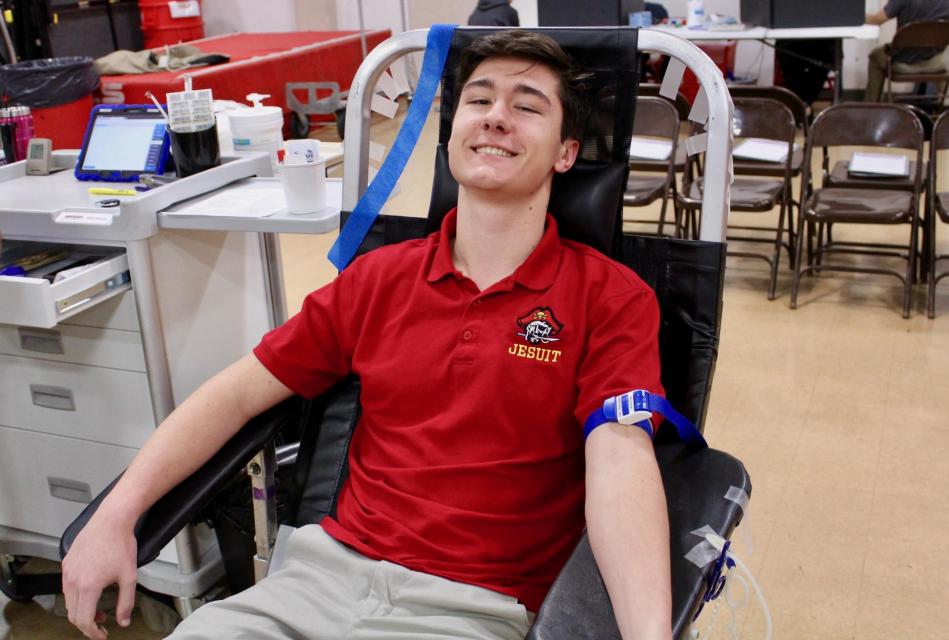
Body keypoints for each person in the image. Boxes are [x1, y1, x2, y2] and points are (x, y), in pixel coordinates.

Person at [61, 30, 671, 640]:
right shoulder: (378, 279)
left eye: (528, 105)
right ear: (453, 132)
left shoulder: (609, 298)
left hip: (468, 611)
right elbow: (235, 394)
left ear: (566, 153)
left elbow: (621, 461)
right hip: (312, 581)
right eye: (479, 100)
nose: (496, 119)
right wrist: (116, 515)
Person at [865, 0, 949, 102]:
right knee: (943, 53)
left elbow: (877, 20)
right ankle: (945, 106)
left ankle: (872, 107)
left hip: (903, 64)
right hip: (936, 65)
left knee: (875, 56)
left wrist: (854, 16)